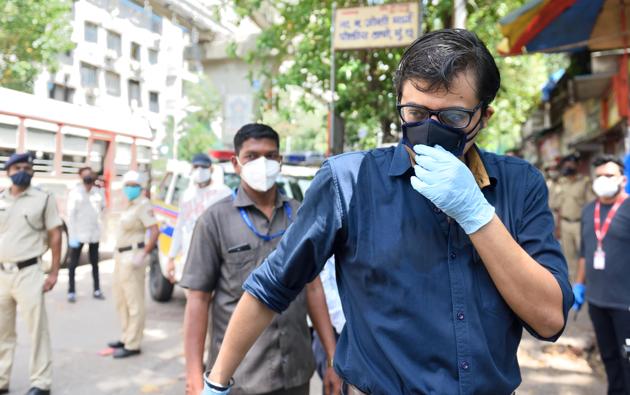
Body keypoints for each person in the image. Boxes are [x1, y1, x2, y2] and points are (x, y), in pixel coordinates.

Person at [202, 29, 573, 395]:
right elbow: (272, 287)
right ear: (399, 104)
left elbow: (549, 320)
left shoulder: (520, 185)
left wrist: (477, 216)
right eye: (415, 112)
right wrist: (216, 383)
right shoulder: (347, 183)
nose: (430, 129)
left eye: (453, 117)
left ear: (484, 116)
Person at [180, 124, 341, 395]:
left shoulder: (301, 215)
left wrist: (332, 359)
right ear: (235, 163)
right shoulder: (214, 221)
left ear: (279, 161)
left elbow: (313, 288)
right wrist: (194, 376)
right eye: (252, 156)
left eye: (270, 155)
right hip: (238, 378)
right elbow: (198, 300)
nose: (262, 163)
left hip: (296, 373)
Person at [0, 153, 62, 395]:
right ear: (8, 171)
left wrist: (54, 272)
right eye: (17, 167)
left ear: (33, 172)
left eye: (27, 167)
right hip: (2, 273)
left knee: (37, 330)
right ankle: (2, 378)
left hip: (29, 272)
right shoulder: (1, 198)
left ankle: (41, 382)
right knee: (2, 331)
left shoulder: (44, 199)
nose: (22, 171)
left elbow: (55, 234)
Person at [573, 155, 630, 394]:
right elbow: (585, 252)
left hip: (626, 304)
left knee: (627, 359)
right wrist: (579, 285)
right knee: (608, 357)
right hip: (597, 301)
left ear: (623, 179)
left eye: (609, 176)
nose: (603, 180)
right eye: (598, 176)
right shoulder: (589, 211)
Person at [108, 170, 159, 359]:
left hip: (133, 256)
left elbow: (154, 231)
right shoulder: (130, 205)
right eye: (127, 185)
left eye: (133, 185)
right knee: (121, 299)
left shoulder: (143, 205)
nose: (129, 188)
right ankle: (125, 336)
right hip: (120, 256)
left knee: (134, 301)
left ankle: (133, 343)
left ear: (140, 187)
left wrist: (144, 253)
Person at [166, 153, 231, 283]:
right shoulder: (187, 195)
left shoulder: (224, 193)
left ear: (211, 169)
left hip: (215, 260)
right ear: (191, 168)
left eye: (204, 167)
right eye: (196, 166)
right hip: (189, 259)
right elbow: (180, 227)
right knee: (190, 298)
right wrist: (171, 258)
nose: (200, 170)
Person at [66, 166, 106, 303]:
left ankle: (97, 289)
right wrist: (72, 236)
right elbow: (70, 216)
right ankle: (71, 291)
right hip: (78, 234)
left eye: (90, 175)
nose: (88, 178)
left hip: (93, 234)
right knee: (73, 264)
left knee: (95, 263)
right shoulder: (75, 193)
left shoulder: (98, 192)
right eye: (85, 176)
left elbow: (102, 209)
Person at [555, 154, 594, 280]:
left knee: (585, 255)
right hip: (565, 224)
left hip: (580, 224)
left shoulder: (585, 182)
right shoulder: (561, 183)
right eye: (566, 163)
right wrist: (558, 227)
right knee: (569, 257)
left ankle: (587, 284)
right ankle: (573, 285)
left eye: (571, 163)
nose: (568, 165)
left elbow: (591, 204)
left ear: (578, 165)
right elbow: (558, 206)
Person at [311, 258, 347, 395]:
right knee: (336, 386)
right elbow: (316, 287)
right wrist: (333, 361)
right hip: (334, 328)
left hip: (364, 329)